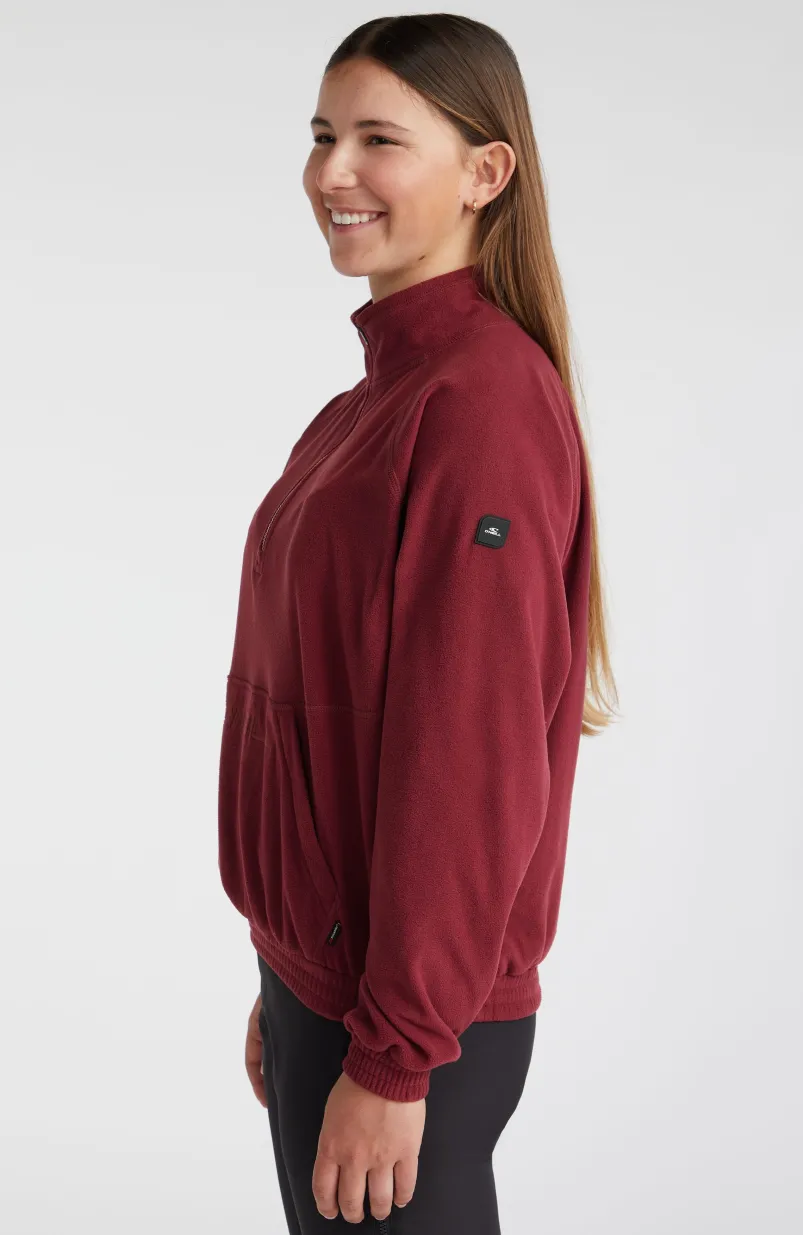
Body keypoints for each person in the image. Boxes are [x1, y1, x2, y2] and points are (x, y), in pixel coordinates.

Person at [218, 14, 618, 1233]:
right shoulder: (374, 402)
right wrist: (289, 965)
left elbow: (466, 759)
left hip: (408, 1025)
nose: (331, 171)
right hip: (337, 985)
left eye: (378, 139)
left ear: (484, 172)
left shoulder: (478, 404)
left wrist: (394, 1050)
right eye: (322, 134)